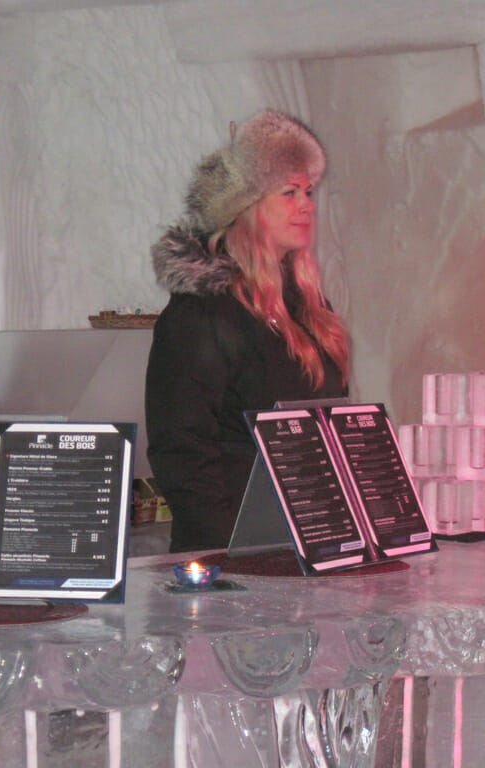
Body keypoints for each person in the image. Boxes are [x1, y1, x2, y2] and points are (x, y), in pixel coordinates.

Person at [145, 109, 351, 553]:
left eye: (309, 191)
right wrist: (232, 553)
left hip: (306, 543)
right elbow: (181, 452)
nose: (307, 205)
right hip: (236, 557)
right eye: (289, 192)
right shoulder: (200, 313)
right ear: (246, 207)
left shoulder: (308, 308)